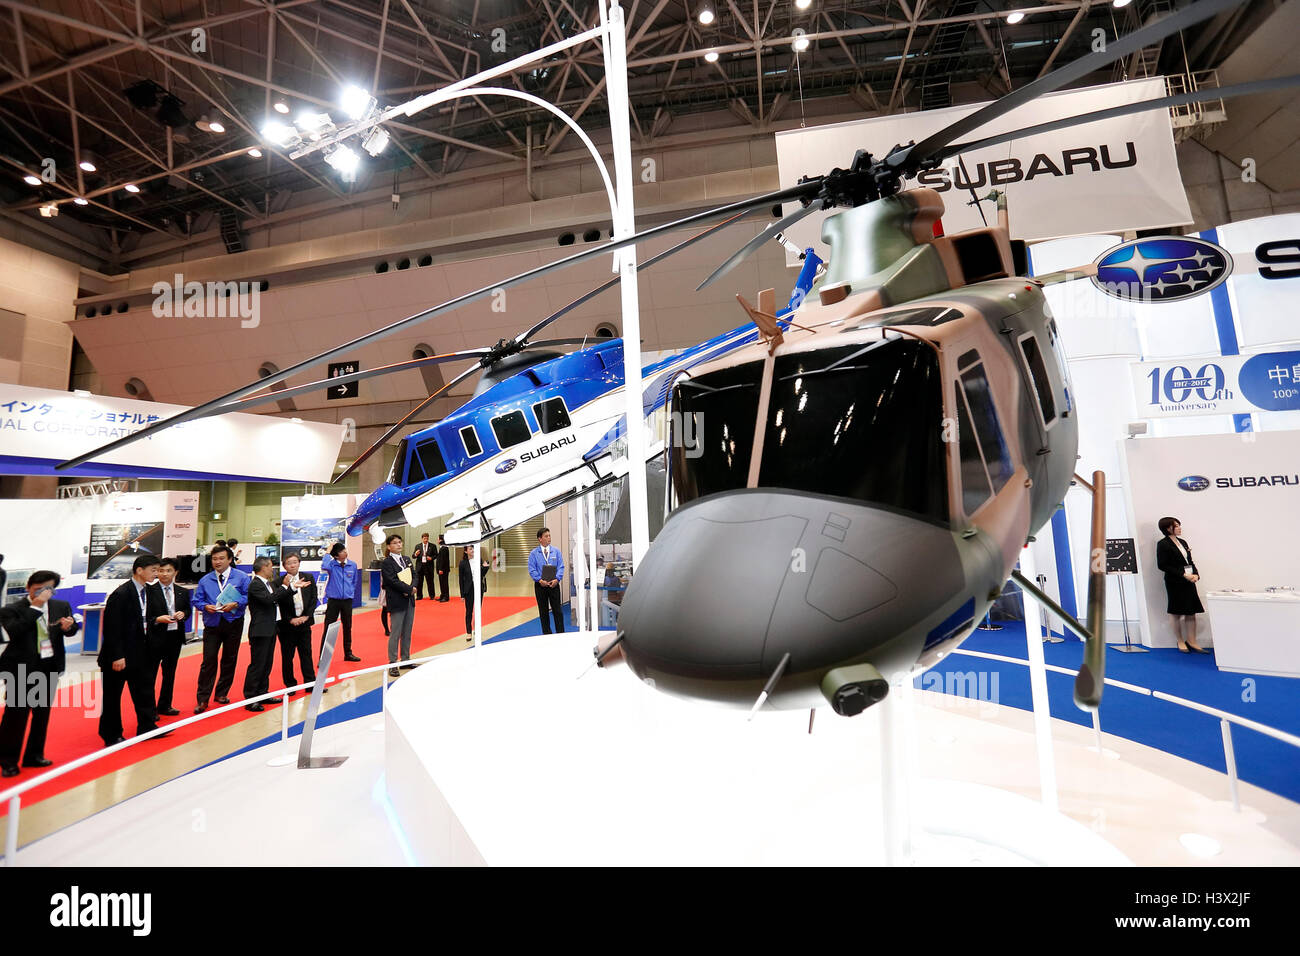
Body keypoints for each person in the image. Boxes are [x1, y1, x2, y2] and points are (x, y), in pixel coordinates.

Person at [0, 571, 79, 776]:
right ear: (28, 587)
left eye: (48, 589)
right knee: (16, 716)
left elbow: (70, 631)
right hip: (20, 669)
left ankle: (34, 755)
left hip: (48, 666)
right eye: (38, 588)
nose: (44, 593)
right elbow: (15, 630)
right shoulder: (12, 609)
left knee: (41, 715)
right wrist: (35, 606)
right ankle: (8, 760)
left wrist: (69, 627)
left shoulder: (60, 605)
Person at [99, 555, 166, 745]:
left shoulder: (148, 592)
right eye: (153, 570)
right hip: (119, 656)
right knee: (112, 697)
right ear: (139, 570)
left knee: (144, 691)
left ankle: (147, 727)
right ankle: (111, 734)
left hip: (141, 652)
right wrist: (117, 655)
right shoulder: (121, 594)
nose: (157, 574)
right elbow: (112, 629)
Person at [191, 544, 250, 713]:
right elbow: (197, 600)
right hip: (212, 623)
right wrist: (205, 606)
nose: (217, 562)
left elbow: (248, 596)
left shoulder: (241, 577)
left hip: (233, 622)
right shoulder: (205, 580)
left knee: (229, 659)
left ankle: (222, 693)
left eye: (221, 558)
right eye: (214, 559)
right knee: (208, 661)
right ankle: (202, 699)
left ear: (230, 560)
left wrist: (237, 603)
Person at [1156, 517, 1209, 653]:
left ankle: (1192, 641)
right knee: (1176, 612)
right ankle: (1180, 640)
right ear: (1168, 528)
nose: (1179, 528)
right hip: (1175, 581)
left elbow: (1189, 561)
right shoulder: (1163, 544)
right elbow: (1162, 565)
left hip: (1189, 581)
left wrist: (1196, 574)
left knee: (1191, 612)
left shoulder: (1182, 542)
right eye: (1176, 526)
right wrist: (1183, 574)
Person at [146, 558, 191, 716]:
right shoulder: (149, 591)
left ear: (175, 573)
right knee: (150, 674)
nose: (164, 574)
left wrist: (183, 614)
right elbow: (145, 616)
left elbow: (188, 610)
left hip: (175, 637)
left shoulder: (182, 592)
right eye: (161, 571)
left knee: (169, 673)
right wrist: (158, 619)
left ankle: (165, 705)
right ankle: (149, 709)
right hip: (155, 638)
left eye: (168, 571)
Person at [244, 556, 285, 711]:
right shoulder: (255, 585)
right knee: (257, 664)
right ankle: (251, 697)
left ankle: (263, 692)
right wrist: (285, 587)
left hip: (271, 628)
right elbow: (269, 600)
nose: (272, 569)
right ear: (263, 567)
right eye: (270, 566)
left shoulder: (268, 584)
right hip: (260, 630)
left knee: (267, 663)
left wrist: (291, 589)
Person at [277, 552, 318, 695]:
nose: (292, 565)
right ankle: (290, 686)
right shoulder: (280, 582)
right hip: (287, 627)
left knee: (306, 654)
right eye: (289, 563)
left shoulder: (308, 577)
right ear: (284, 566)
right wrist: (290, 619)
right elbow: (279, 603)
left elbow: (314, 598)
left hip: (304, 624)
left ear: (299, 563)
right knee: (288, 656)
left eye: (295, 562)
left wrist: (307, 616)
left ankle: (311, 684)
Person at [382, 534, 416, 677]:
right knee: (395, 632)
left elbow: (415, 575)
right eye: (395, 543)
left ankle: (406, 659)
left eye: (400, 542)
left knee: (407, 631)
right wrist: (408, 589)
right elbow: (391, 580)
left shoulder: (406, 559)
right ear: (389, 547)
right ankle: (393, 662)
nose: (399, 545)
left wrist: (413, 587)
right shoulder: (387, 562)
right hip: (397, 600)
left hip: (409, 600)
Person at [320, 543, 361, 662]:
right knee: (329, 628)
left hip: (347, 601)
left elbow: (354, 581)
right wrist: (328, 552)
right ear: (336, 556)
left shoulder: (352, 565)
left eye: (345, 550)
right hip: (333, 601)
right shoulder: (331, 565)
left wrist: (350, 593)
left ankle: (348, 653)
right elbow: (324, 565)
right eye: (342, 551)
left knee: (348, 627)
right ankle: (323, 657)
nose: (345, 552)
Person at [528, 527, 566, 634]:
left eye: (549, 536)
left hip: (554, 585)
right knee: (543, 612)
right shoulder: (533, 554)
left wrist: (557, 579)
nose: (549, 538)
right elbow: (532, 569)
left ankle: (561, 633)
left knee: (557, 611)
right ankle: (547, 634)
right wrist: (539, 580)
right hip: (540, 586)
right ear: (540, 539)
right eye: (546, 536)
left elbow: (561, 566)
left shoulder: (556, 552)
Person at [459, 545, 490, 640]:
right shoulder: (462, 563)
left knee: (478, 610)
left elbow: (482, 574)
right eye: (470, 549)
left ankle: (476, 628)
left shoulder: (478, 560)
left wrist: (485, 567)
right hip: (468, 590)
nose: (472, 550)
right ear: (465, 551)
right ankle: (468, 632)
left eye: (473, 548)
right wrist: (462, 594)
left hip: (479, 588)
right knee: (469, 611)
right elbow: (461, 579)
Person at [412, 533, 436, 600]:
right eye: (424, 538)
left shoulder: (432, 546)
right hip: (420, 567)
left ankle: (432, 596)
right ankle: (419, 596)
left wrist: (431, 558)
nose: (426, 540)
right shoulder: (418, 546)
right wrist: (416, 554)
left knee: (430, 582)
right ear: (422, 538)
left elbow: (436, 555)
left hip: (429, 566)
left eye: (427, 538)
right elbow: (413, 556)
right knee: (419, 582)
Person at [435, 535, 451, 601]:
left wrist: (441, 569)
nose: (437, 540)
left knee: (444, 583)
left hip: (443, 570)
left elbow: (443, 560)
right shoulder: (442, 547)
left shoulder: (444, 548)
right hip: (442, 569)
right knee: (441, 583)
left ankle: (446, 597)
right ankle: (442, 595)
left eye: (438, 539)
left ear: (441, 540)